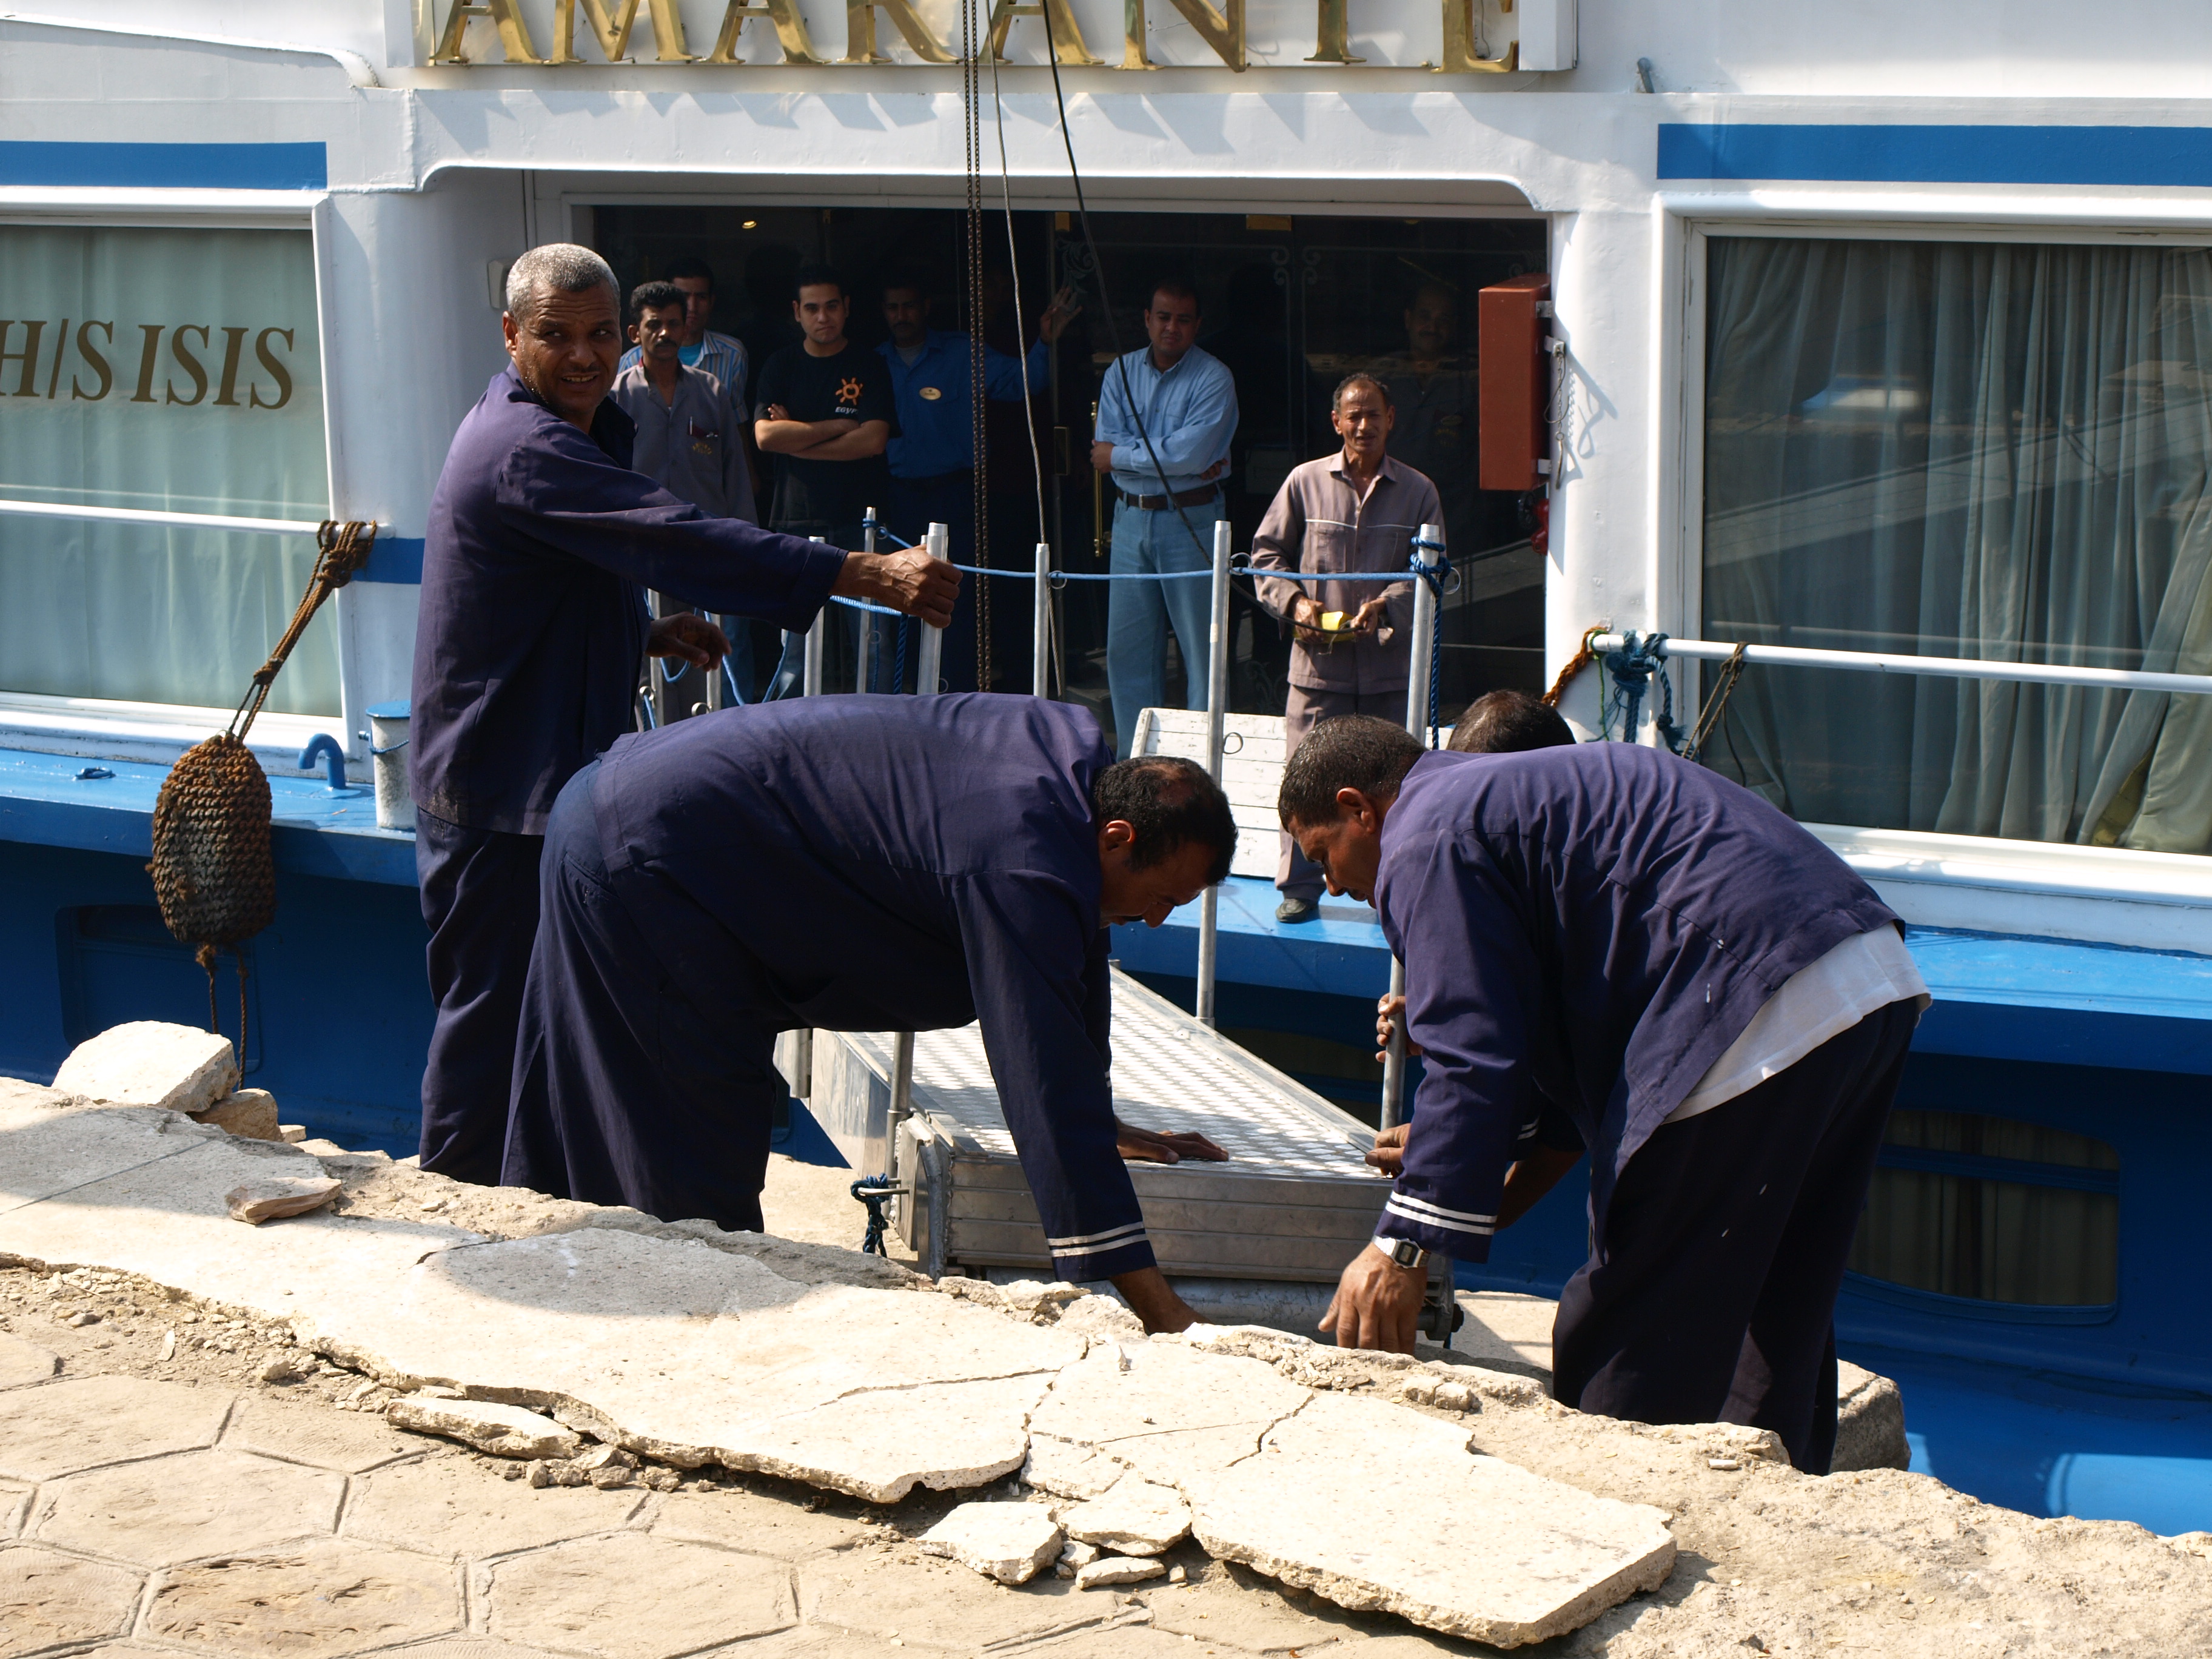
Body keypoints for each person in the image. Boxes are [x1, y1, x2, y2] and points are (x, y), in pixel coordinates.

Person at [409, 243, 959, 1188]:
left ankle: (524, 1195)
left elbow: (559, 571)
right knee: (490, 1016)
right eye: (556, 336)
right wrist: (860, 571)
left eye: (599, 335)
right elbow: (670, 533)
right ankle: (453, 1207)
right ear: (510, 337)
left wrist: (642, 633)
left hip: (541, 772)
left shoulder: (581, 426)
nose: (583, 356)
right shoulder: (525, 446)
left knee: (542, 1012)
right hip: (498, 789)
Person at [1279, 717, 1929, 1474]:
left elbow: (1472, 1053)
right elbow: (1539, 1049)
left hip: (1748, 994)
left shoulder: (1423, 835)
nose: (1329, 883)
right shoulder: (1510, 801)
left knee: (1630, 1309)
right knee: (1777, 1296)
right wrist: (1458, 1156)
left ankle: (1618, 1509)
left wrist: (1403, 1243)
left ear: (1361, 808)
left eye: (1323, 853)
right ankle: (1776, 1494)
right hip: (1866, 980)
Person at [503, 692, 1236, 1334]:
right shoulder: (1019, 855)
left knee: (601, 1114)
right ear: (1118, 838)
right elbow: (1039, 1069)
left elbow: (1074, 956)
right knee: (687, 1164)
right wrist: (1159, 1309)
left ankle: (528, 1277)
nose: (1157, 920)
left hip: (641, 811)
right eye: (1163, 899)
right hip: (646, 854)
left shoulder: (1068, 778)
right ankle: (647, 1350)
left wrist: (1100, 1115)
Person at [1248, 373, 1442, 925]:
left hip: (1386, 670)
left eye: (1373, 415)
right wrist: (1297, 606)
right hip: (1317, 670)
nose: (1363, 426)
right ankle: (1300, 887)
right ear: (1336, 423)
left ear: (1391, 420)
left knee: (1395, 789)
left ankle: (1396, 891)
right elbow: (1265, 558)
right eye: (1353, 416)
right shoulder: (1304, 483)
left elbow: (1432, 574)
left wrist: (1387, 604)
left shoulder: (1418, 490)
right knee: (1303, 778)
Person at [879, 271, 1080, 691]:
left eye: (909, 305)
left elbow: (1024, 382)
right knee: (900, 596)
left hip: (957, 495)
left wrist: (1045, 341)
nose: (902, 315)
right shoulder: (874, 361)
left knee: (959, 600)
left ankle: (959, 694)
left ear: (926, 307)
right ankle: (906, 699)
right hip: (900, 500)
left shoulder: (960, 352)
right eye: (893, 307)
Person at [1091, 278, 1239, 756]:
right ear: (1147, 320)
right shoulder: (1119, 371)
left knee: (1203, 652)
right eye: (1163, 316)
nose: (1171, 327)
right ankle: (1138, 764)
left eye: (1182, 319)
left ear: (1197, 325)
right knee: (1129, 652)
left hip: (1190, 521)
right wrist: (1171, 460)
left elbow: (1191, 453)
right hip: (1130, 522)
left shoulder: (1215, 377)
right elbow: (1164, 455)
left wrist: (1123, 456)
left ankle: (1199, 766)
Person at [612, 280, 757, 719]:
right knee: (646, 657)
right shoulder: (616, 398)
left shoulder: (711, 391)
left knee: (713, 653)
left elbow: (735, 472)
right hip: (641, 551)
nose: (665, 333)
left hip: (705, 546)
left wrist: (745, 542)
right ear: (635, 332)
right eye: (654, 325)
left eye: (673, 323)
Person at [754, 263, 899, 691]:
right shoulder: (780, 366)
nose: (823, 317)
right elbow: (765, 436)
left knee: (873, 641)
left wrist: (797, 434)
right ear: (796, 312)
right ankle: (792, 741)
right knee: (795, 649)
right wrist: (836, 427)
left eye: (832, 306)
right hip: (797, 523)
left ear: (847, 308)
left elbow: (873, 441)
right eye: (812, 308)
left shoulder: (869, 364)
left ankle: (880, 734)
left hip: (863, 522)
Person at [617, 254, 748, 405]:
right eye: (684, 297)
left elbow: (735, 421)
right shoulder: (629, 362)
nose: (692, 307)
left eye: (701, 297)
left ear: (712, 302)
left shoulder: (733, 354)